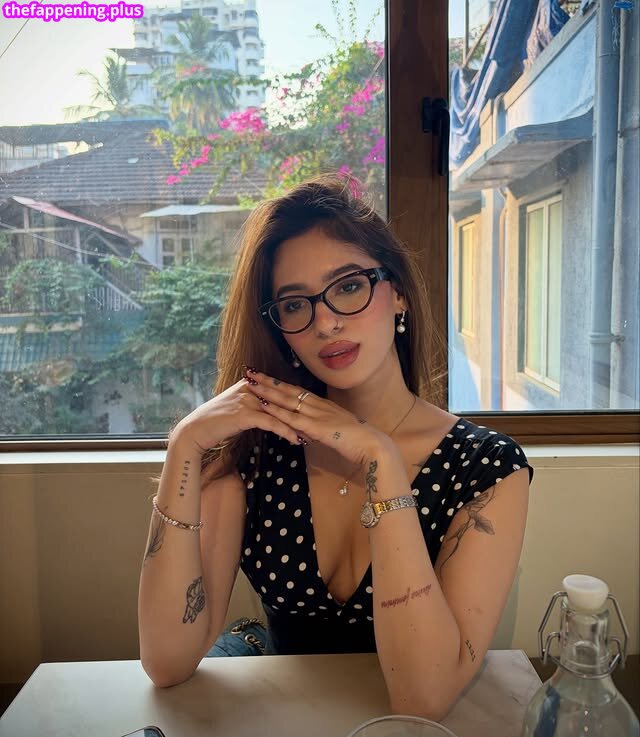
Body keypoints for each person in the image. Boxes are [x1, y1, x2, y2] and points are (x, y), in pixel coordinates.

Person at [138, 173, 533, 721]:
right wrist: (183, 447)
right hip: (280, 721)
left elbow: (422, 699)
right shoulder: (259, 452)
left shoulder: (486, 469)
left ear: (398, 293)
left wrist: (381, 462)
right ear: (281, 330)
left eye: (348, 286)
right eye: (294, 304)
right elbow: (166, 661)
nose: (325, 322)